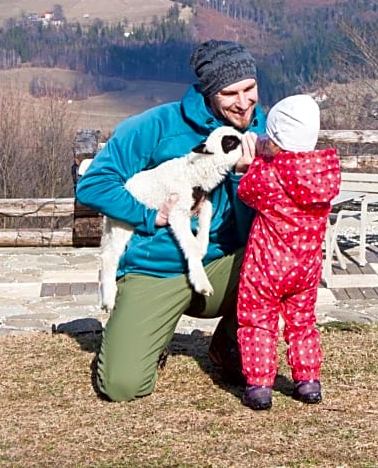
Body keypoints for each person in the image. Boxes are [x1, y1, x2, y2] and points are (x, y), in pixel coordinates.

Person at [76, 39, 267, 402]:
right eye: (229, 93)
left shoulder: (263, 135)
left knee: (286, 257)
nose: (243, 103)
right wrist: (150, 216)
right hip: (157, 270)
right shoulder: (155, 126)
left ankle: (230, 345)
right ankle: (153, 330)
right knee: (122, 386)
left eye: (249, 88)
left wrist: (244, 177)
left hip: (221, 267)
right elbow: (93, 185)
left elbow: (255, 226)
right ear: (210, 93)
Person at [235, 95, 341, 410]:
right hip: (306, 267)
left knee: (258, 321)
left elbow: (245, 191)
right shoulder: (323, 175)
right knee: (302, 322)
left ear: (276, 140)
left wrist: (254, 158)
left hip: (267, 267)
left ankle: (259, 387)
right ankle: (308, 382)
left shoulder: (269, 175)